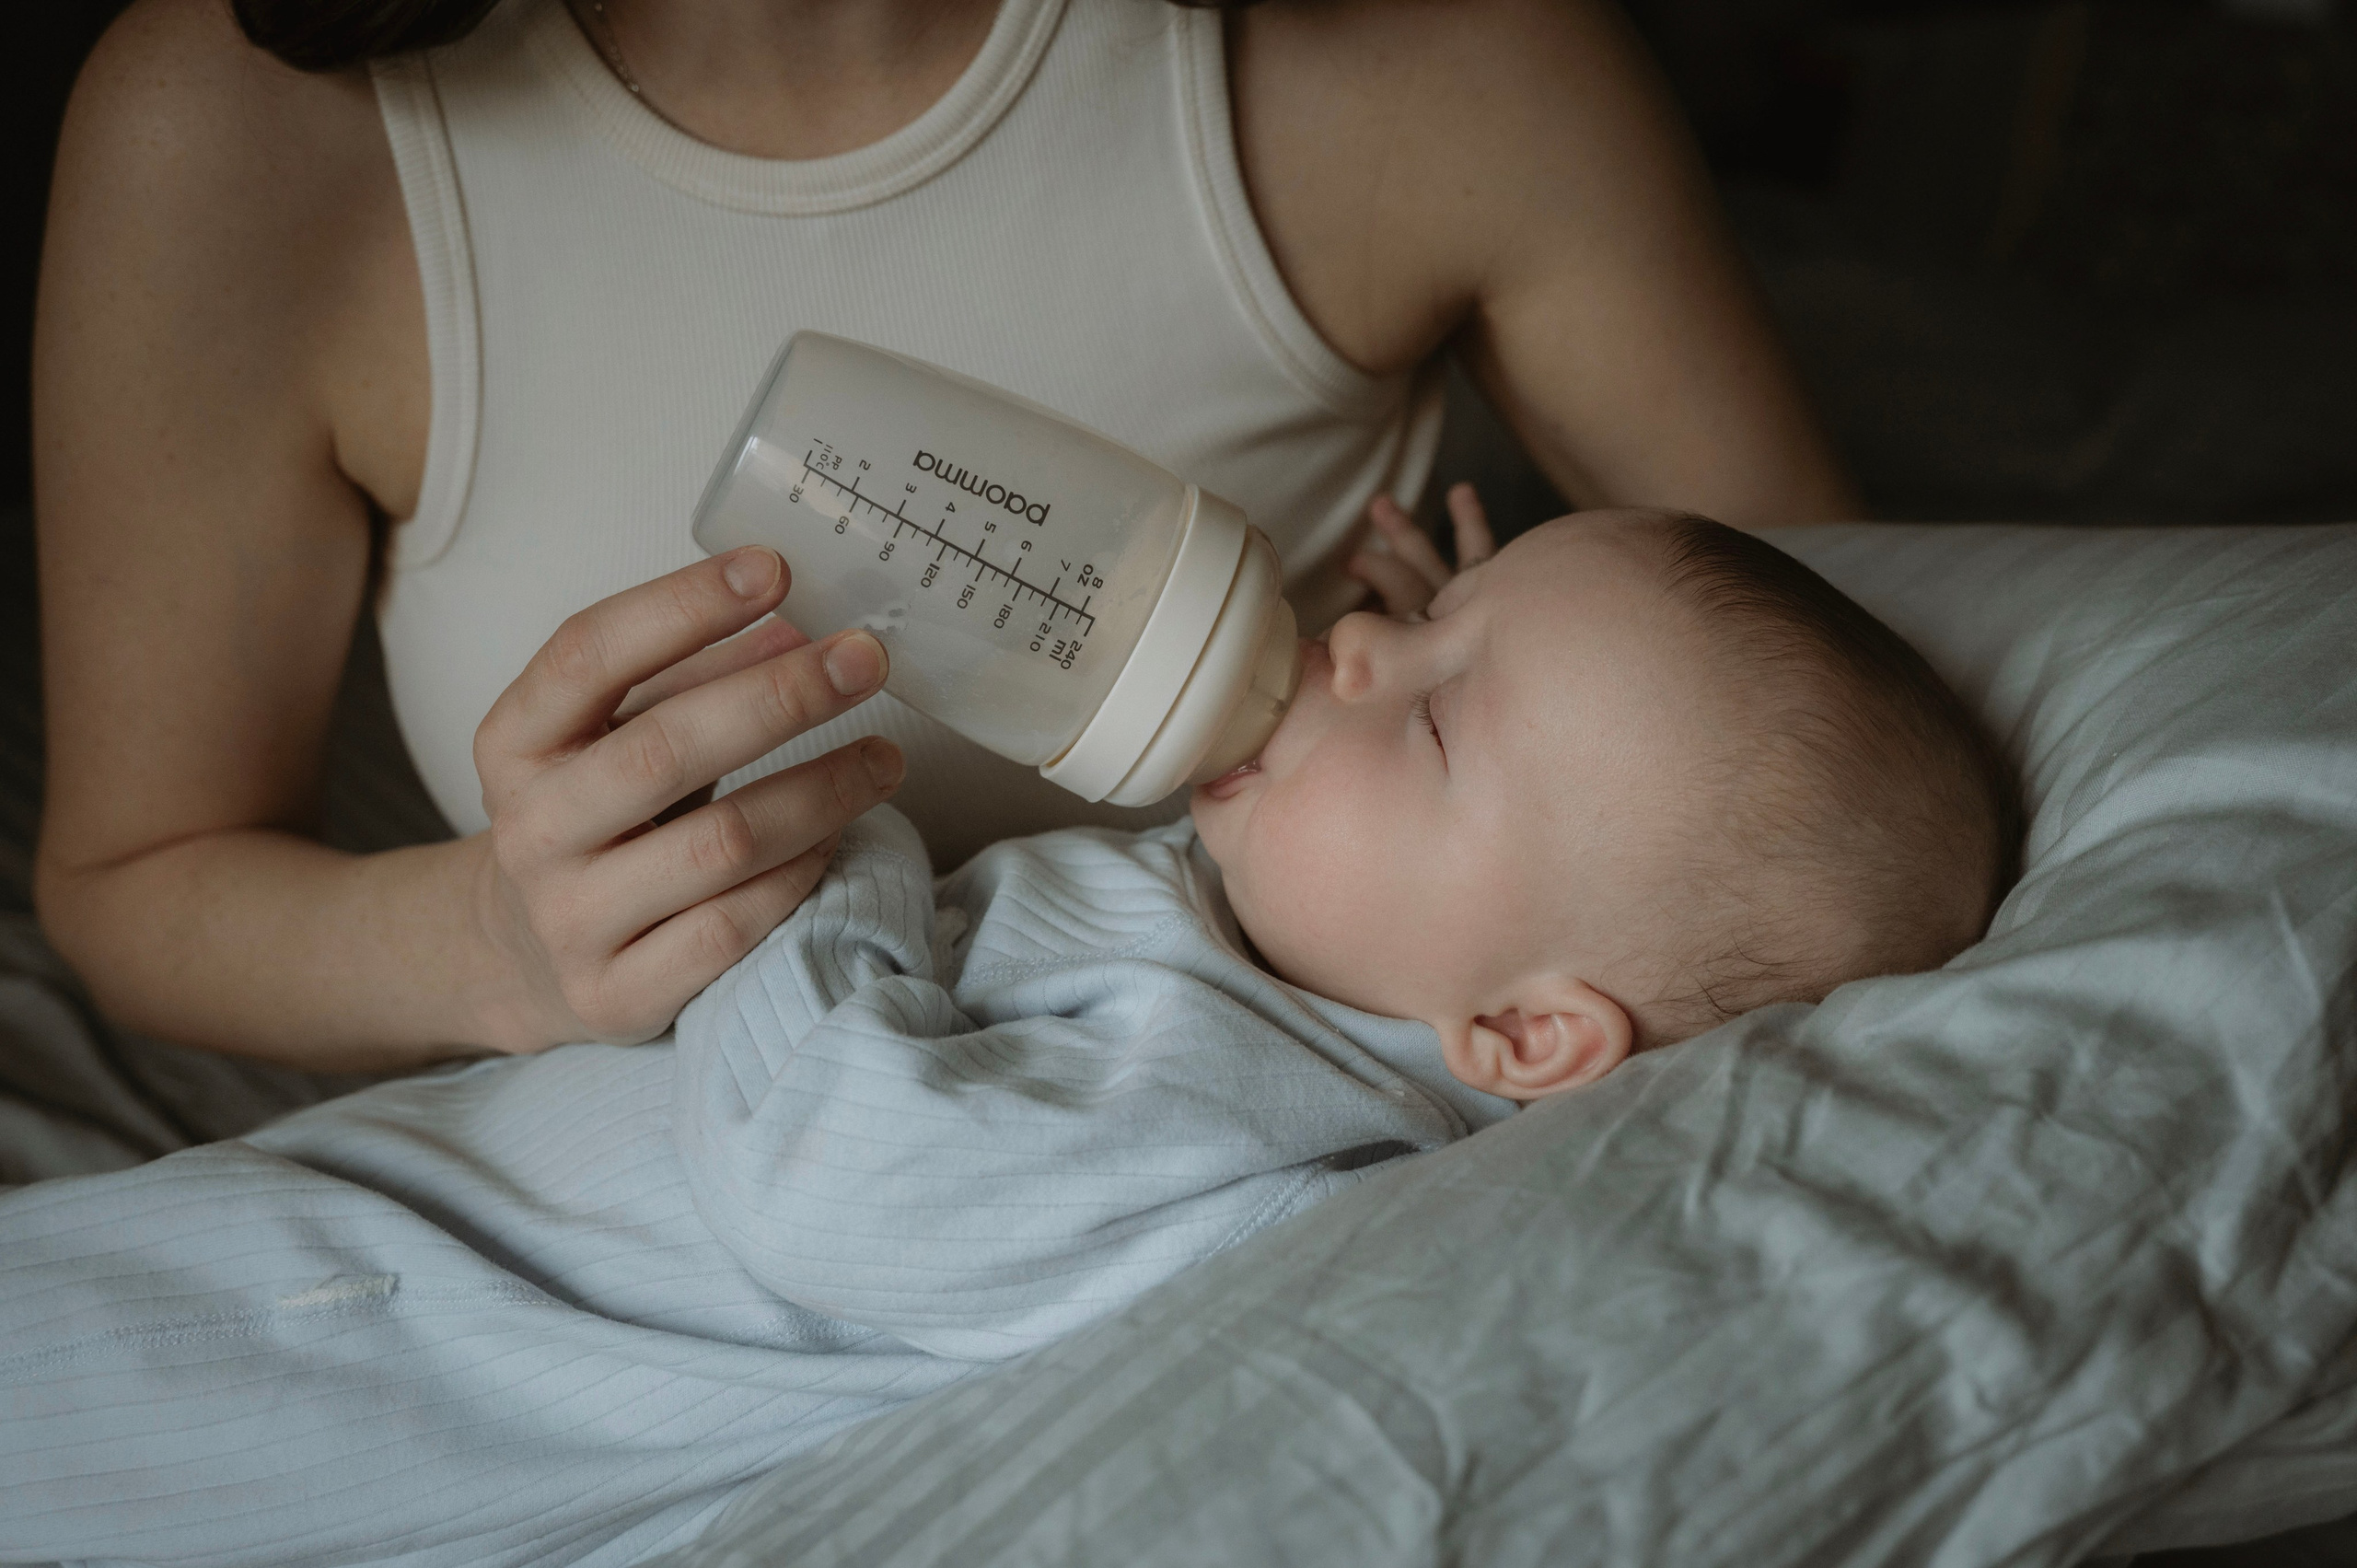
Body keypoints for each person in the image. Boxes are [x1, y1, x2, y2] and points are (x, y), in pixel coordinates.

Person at [0, 511, 2013, 1567]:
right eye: (1435, 601)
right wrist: (1434, 711)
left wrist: (833, 847)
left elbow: (837, 1176)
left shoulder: (1241, 1134)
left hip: (318, 1373)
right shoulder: (1285, 958)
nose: (1355, 642)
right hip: (334, 1254)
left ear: (1524, 1031)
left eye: (1428, 712)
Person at [29, 0, 1856, 1105]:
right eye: (1423, 631)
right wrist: (491, 951)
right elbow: (134, 885)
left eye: (1439, 665)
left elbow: (1828, 762)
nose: (1364, 653)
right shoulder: (238, 138)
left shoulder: (1434, 67)